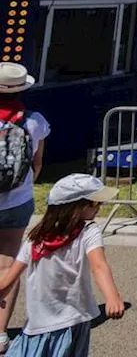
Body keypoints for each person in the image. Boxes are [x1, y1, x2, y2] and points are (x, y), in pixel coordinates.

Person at [0, 174, 123, 357]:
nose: (99, 208)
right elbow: (13, 273)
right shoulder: (36, 239)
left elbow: (99, 266)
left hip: (71, 320)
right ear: (76, 207)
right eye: (95, 203)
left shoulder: (87, 232)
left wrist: (112, 296)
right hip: (39, 323)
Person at [0, 63, 48, 353]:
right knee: (7, 263)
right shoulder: (34, 121)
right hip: (17, 200)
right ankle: (1, 332)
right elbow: (37, 163)